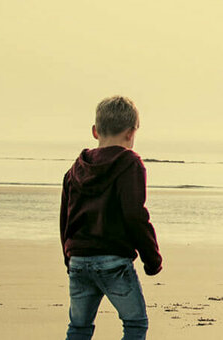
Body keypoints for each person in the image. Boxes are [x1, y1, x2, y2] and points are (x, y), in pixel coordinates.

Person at [61, 96, 164, 340]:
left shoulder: (75, 169)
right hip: (113, 261)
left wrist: (69, 256)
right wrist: (152, 259)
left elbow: (65, 218)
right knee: (135, 324)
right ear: (131, 134)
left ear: (95, 131)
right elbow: (135, 215)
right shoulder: (130, 163)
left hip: (79, 259)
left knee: (79, 327)